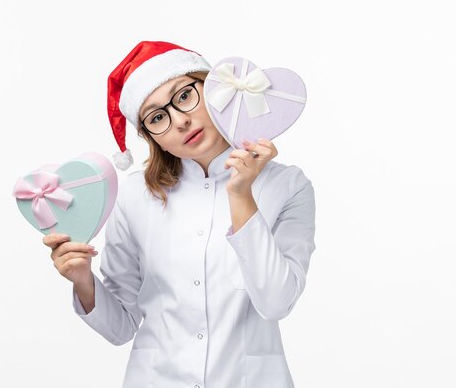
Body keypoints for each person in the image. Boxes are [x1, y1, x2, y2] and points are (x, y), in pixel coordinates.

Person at [42, 41, 316, 388]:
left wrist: (241, 194)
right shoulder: (134, 196)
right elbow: (121, 328)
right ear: (152, 138)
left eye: (185, 95)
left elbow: (276, 302)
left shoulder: (287, 186)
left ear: (213, 87)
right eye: (158, 118)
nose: (181, 121)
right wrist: (83, 280)